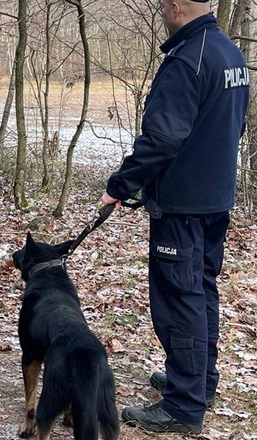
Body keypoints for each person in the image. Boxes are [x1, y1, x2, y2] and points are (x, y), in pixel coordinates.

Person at [102, 0, 249, 434]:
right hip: (216, 198)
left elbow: (162, 138)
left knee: (180, 299)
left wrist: (121, 184)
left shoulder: (187, 59)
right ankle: (200, 381)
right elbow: (234, 124)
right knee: (201, 290)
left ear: (176, 7)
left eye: (164, 6)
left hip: (185, 204)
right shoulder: (229, 53)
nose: (162, 13)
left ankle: (184, 406)